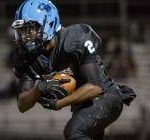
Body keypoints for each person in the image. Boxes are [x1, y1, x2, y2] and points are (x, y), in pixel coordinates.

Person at [11, 0, 137, 139]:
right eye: (22, 31)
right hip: (82, 106)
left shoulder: (74, 39)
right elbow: (22, 105)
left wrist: (59, 103)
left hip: (105, 97)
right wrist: (38, 88)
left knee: (74, 132)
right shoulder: (26, 57)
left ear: (49, 24)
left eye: (30, 29)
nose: (25, 36)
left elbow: (95, 87)